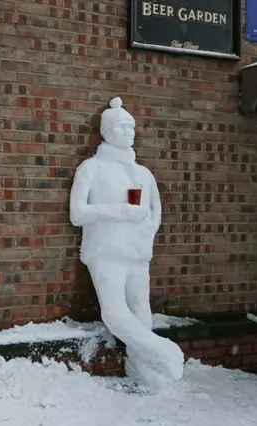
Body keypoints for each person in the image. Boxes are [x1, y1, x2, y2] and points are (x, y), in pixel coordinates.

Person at [69, 97, 184, 388]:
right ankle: (164, 351)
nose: (127, 131)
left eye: (130, 126)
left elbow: (155, 212)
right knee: (115, 312)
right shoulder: (91, 168)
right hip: (105, 251)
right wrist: (119, 211)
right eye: (119, 126)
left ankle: (143, 373)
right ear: (105, 131)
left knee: (141, 312)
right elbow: (78, 213)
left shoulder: (143, 174)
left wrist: (145, 234)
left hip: (136, 252)